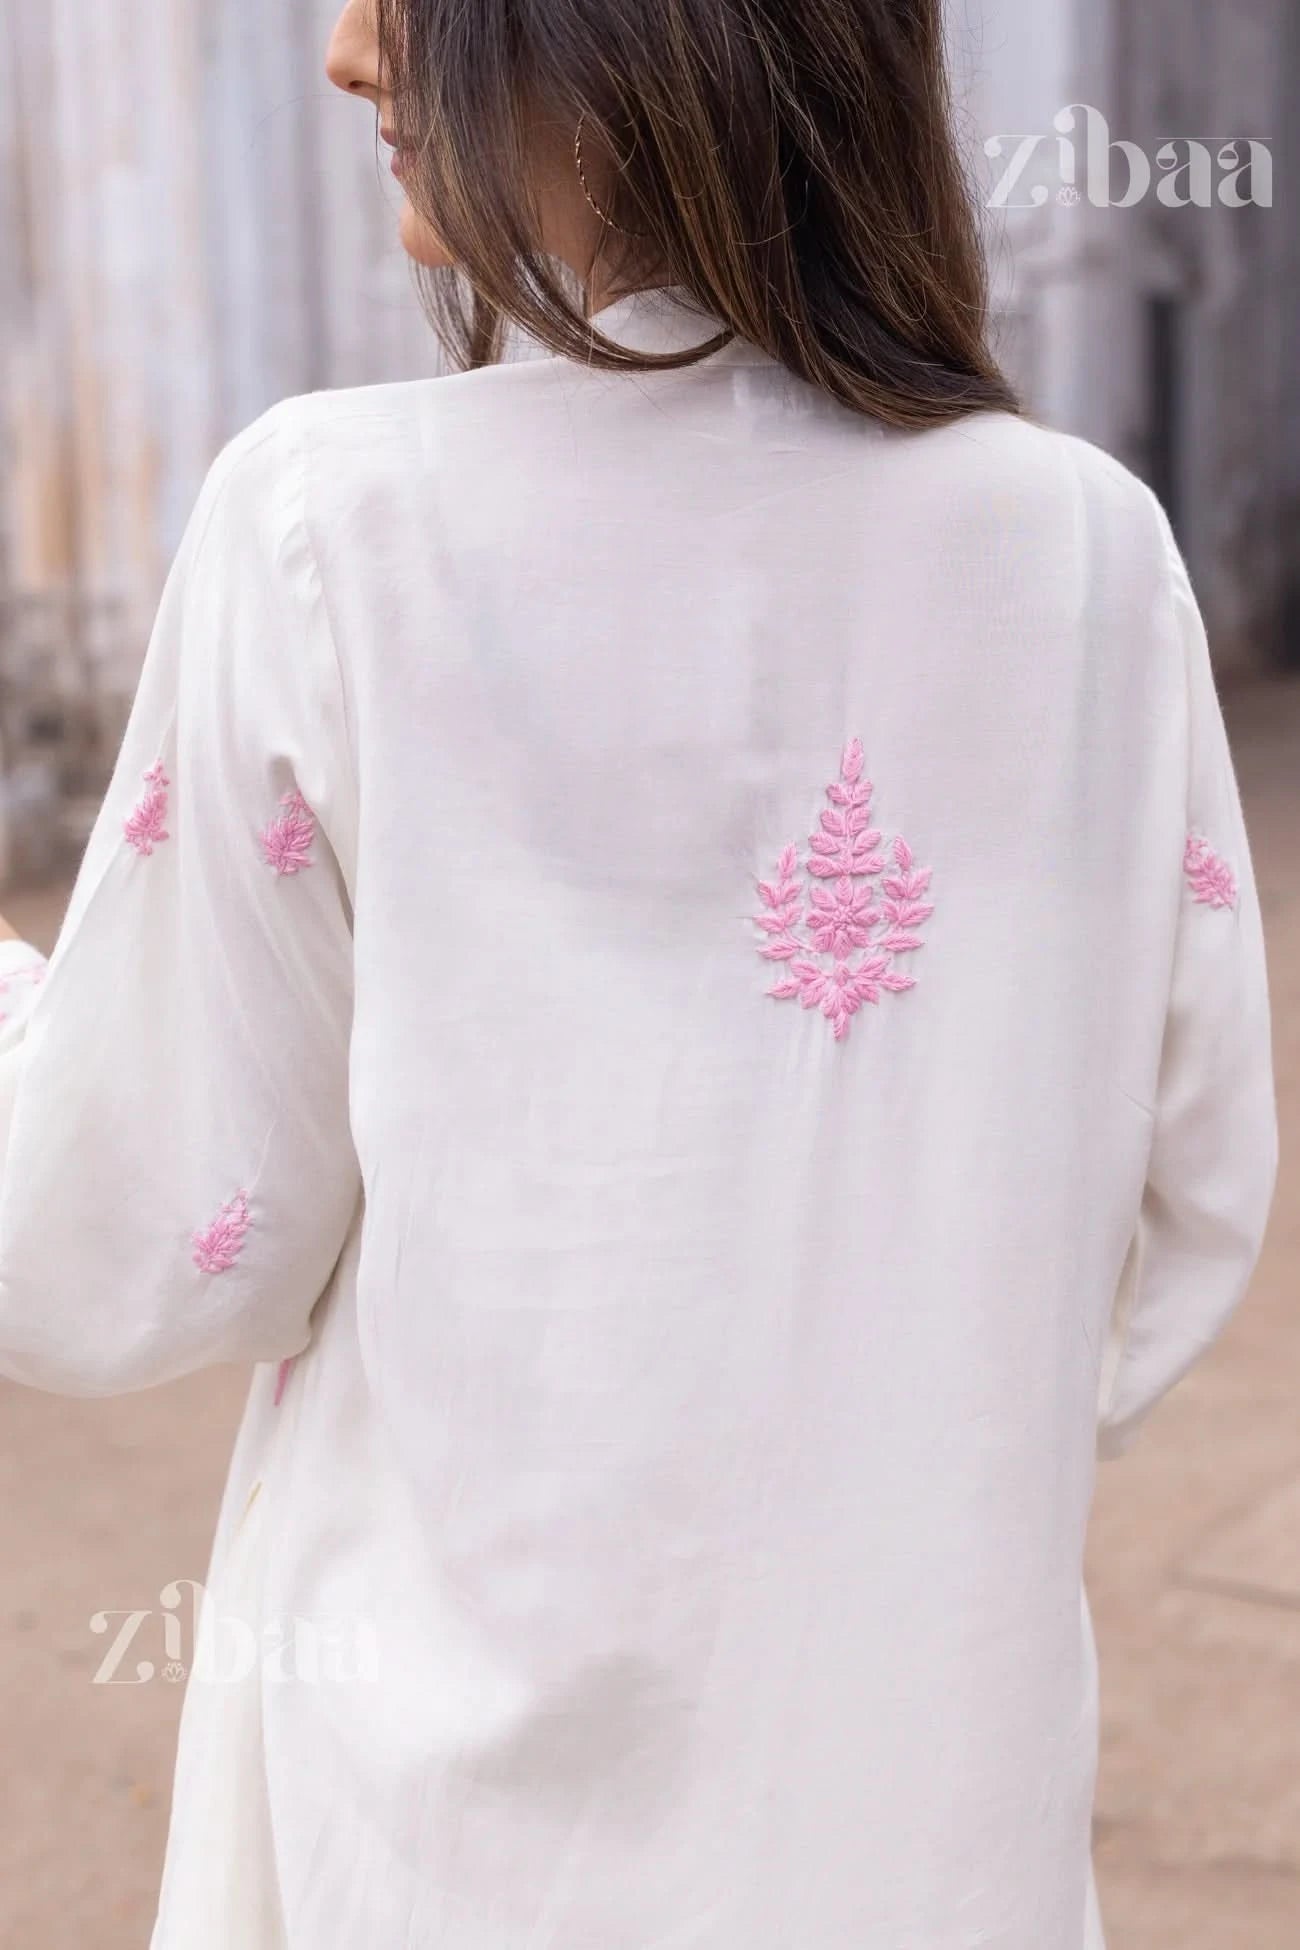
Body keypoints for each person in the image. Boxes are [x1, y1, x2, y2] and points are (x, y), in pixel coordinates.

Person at [0, 1, 1277, 1945]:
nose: (352, 56)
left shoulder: (330, 533)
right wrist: (890, 1382)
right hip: (920, 1826)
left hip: (451, 1850)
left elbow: (141, 1230)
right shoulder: (1088, 558)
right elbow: (1186, 1204)